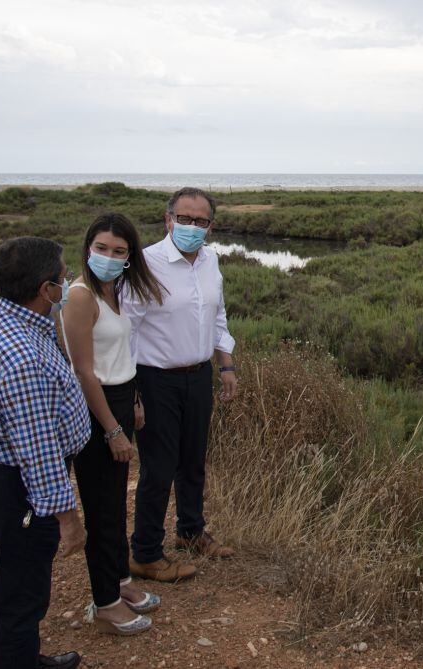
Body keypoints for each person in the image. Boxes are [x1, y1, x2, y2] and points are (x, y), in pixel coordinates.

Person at [0, 237, 89, 669]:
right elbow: (39, 453)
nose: (67, 281)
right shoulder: (23, 358)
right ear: (46, 290)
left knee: (18, 576)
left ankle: (25, 657)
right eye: (62, 275)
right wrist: (68, 521)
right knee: (24, 588)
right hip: (14, 483)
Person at [61, 213, 167, 634]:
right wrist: (112, 429)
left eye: (119, 251)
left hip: (121, 398)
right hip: (95, 408)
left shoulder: (114, 289)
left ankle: (121, 581)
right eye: (101, 248)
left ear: (129, 257)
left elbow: (121, 352)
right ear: (88, 247)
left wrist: (135, 400)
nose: (109, 256)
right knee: (102, 507)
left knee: (115, 504)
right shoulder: (81, 295)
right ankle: (105, 601)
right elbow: (85, 372)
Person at [126, 187, 238, 582]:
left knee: (193, 461)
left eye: (201, 221)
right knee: (158, 468)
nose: (192, 227)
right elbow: (127, 328)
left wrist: (226, 365)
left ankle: (191, 532)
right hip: (155, 379)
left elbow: (218, 314)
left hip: (198, 376)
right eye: (184, 218)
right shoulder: (145, 263)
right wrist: (133, 392)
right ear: (168, 218)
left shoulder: (210, 260)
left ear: (211, 226)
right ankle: (145, 552)